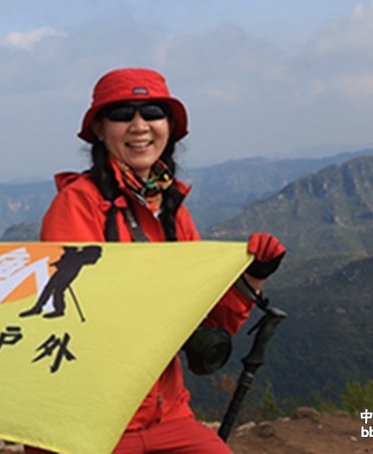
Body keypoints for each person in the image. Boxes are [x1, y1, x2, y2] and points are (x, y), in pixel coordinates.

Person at [34, 68, 286, 454]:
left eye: (152, 111)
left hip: (166, 417)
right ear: (100, 130)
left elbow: (205, 319)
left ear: (169, 127)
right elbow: (78, 311)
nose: (139, 126)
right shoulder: (79, 202)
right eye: (121, 114)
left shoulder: (170, 209)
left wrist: (251, 278)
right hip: (88, 420)